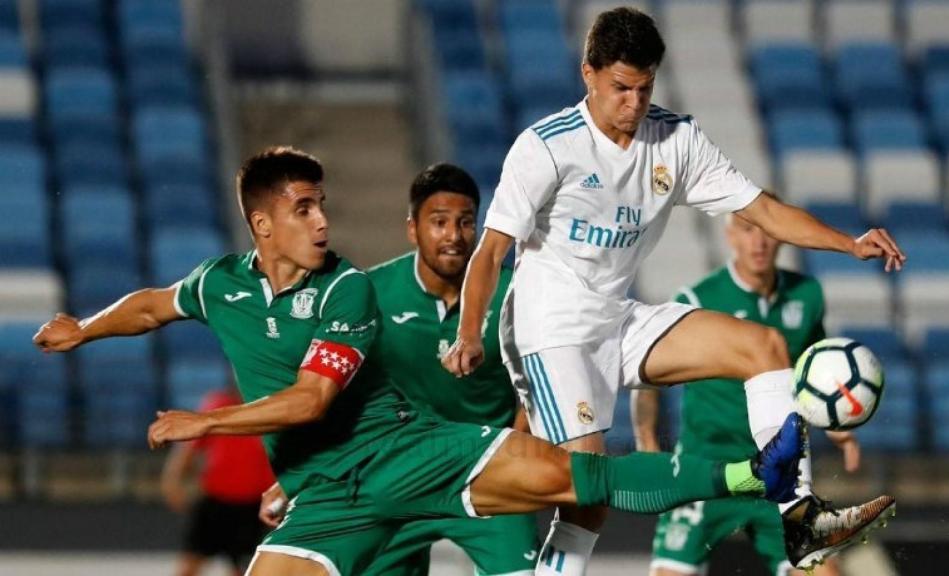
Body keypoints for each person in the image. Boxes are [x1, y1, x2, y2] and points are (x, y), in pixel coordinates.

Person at [34, 146, 805, 576]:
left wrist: (205, 425)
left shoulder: (347, 290)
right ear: (262, 225)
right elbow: (153, 304)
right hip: (330, 496)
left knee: (575, 476)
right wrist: (84, 328)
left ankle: (752, 475)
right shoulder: (219, 284)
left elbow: (309, 401)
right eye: (305, 208)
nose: (323, 219)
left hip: (415, 454)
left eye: (322, 203)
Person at [441, 7, 903, 574]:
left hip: (617, 317)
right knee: (587, 494)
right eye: (621, 88)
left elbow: (762, 210)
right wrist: (469, 333)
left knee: (763, 347)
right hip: (549, 328)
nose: (634, 103)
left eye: (645, 87)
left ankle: (800, 516)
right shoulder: (547, 147)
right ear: (589, 74)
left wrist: (848, 243)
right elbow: (491, 251)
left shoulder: (676, 139)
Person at [259, 162, 540, 575]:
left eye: (465, 222)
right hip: (396, 473)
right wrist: (297, 477)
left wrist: (517, 456)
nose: (453, 235)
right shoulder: (370, 293)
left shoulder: (516, 293)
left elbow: (537, 388)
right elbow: (332, 390)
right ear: (413, 229)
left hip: (486, 470)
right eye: (439, 222)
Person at [633, 212, 862, 576]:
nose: (759, 242)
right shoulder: (697, 299)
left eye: (768, 230)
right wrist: (646, 440)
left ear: (782, 235)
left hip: (780, 472)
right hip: (707, 467)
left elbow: (816, 370)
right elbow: (648, 377)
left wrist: (838, 430)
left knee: (825, 573)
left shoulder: (807, 295)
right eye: (747, 230)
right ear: (730, 236)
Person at [161, 386, 276, 576]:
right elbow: (189, 449)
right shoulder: (219, 406)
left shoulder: (271, 409)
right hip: (216, 501)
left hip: (252, 506)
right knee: (190, 565)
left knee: (244, 569)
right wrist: (173, 480)